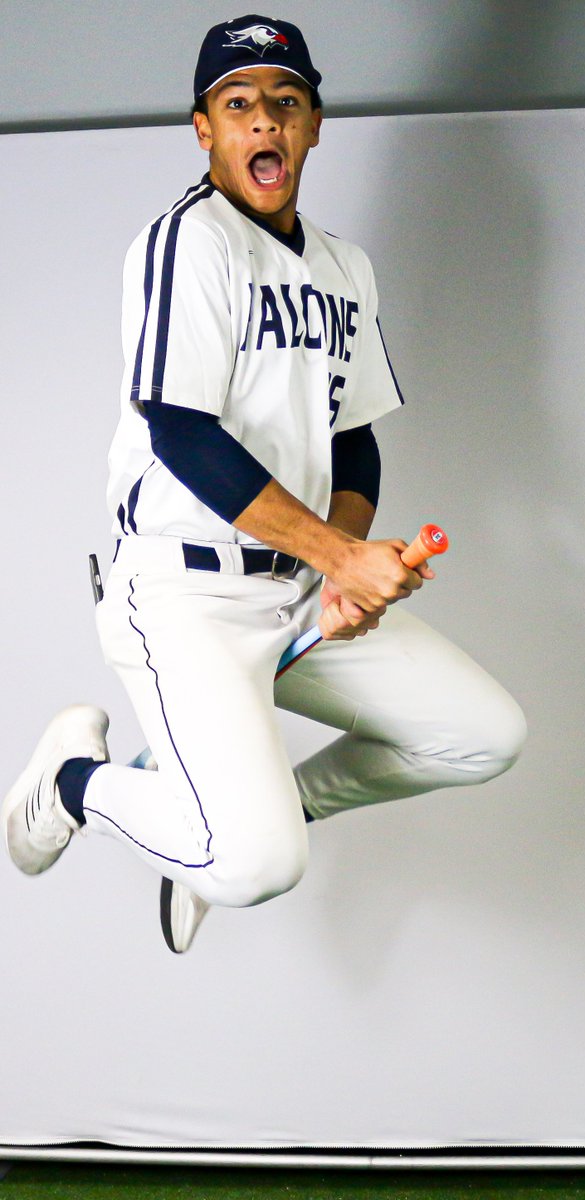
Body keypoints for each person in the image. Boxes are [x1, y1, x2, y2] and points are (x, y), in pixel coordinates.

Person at [2, 15, 526, 955]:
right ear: (204, 129)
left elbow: (354, 436)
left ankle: (219, 821)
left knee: (482, 735)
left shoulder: (342, 267)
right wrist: (338, 555)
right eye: (238, 105)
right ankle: (79, 782)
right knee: (256, 868)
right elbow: (181, 431)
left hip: (292, 588)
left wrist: (348, 568)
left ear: (315, 126)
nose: (264, 123)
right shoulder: (184, 246)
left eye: (286, 103)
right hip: (183, 595)